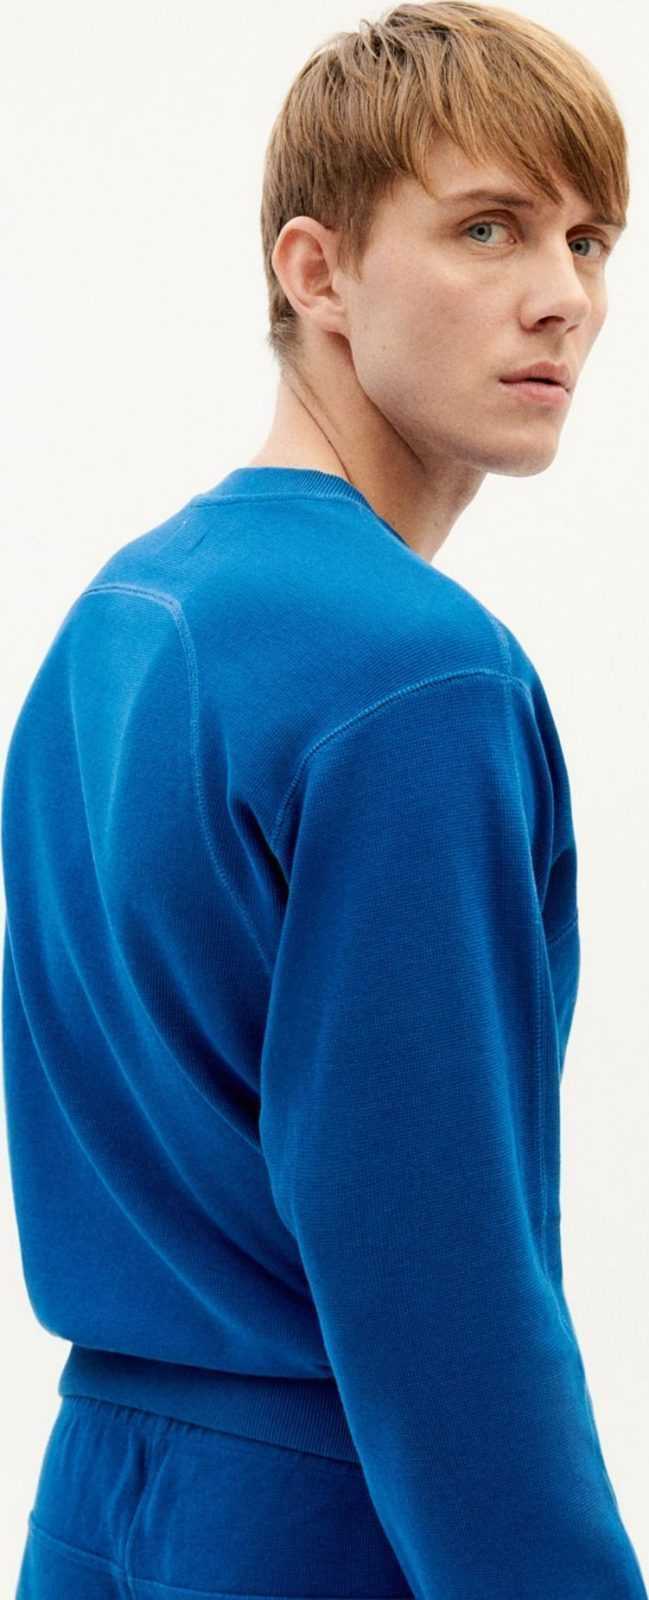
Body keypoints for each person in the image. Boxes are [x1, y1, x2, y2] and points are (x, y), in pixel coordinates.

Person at [2, 4, 646, 1597]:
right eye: (487, 227)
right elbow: (435, 1277)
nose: (562, 297)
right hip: (326, 1519)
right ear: (317, 270)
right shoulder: (415, 677)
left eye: (587, 239)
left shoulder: (115, 619)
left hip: (97, 1506)